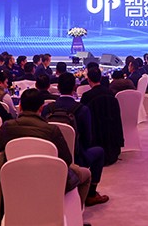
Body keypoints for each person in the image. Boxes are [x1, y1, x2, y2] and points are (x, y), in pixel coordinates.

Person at [0, 90, 91, 204]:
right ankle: (71, 211)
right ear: (41, 108)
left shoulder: (8, 127)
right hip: (50, 180)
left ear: (20, 106)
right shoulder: (52, 130)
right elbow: (66, 160)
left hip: (16, 180)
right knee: (86, 174)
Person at [41, 73, 109, 207]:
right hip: (76, 157)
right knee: (99, 152)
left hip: (51, 155)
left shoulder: (47, 109)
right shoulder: (82, 110)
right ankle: (91, 194)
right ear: (74, 87)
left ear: (58, 87)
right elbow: (88, 140)